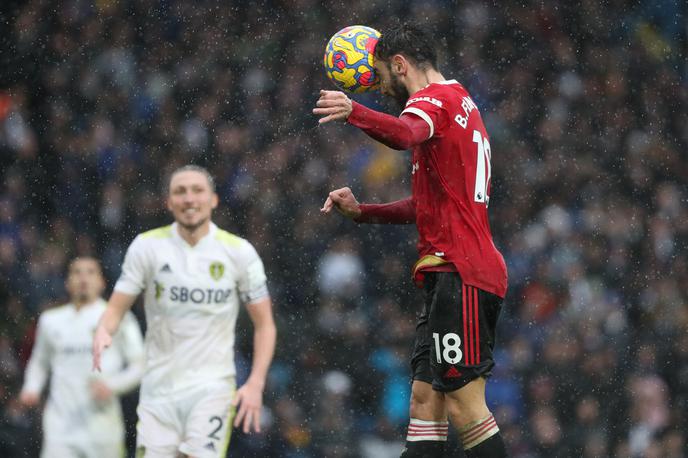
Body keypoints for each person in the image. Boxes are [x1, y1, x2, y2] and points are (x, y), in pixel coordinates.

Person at [314, 22, 508, 458]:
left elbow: (402, 135)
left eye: (381, 78)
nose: (380, 90)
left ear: (400, 65)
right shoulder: (459, 103)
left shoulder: (432, 100)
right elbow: (426, 207)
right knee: (425, 404)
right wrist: (364, 213)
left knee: (465, 406)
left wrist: (354, 112)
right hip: (450, 274)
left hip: (461, 273)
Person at [92, 165, 277, 458]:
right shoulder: (147, 246)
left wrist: (255, 383)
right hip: (158, 388)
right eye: (180, 191)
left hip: (212, 386)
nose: (189, 198)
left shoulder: (239, 252)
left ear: (213, 199)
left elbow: (264, 325)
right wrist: (104, 330)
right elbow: (116, 307)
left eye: (197, 190)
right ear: (169, 202)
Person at [19, 257, 145, 458]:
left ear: (102, 282)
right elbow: (40, 361)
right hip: (60, 426)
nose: (83, 278)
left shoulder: (119, 317)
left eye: (90, 272)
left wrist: (113, 386)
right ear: (67, 282)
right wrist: (31, 388)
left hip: (103, 426)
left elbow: (140, 365)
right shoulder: (50, 320)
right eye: (76, 272)